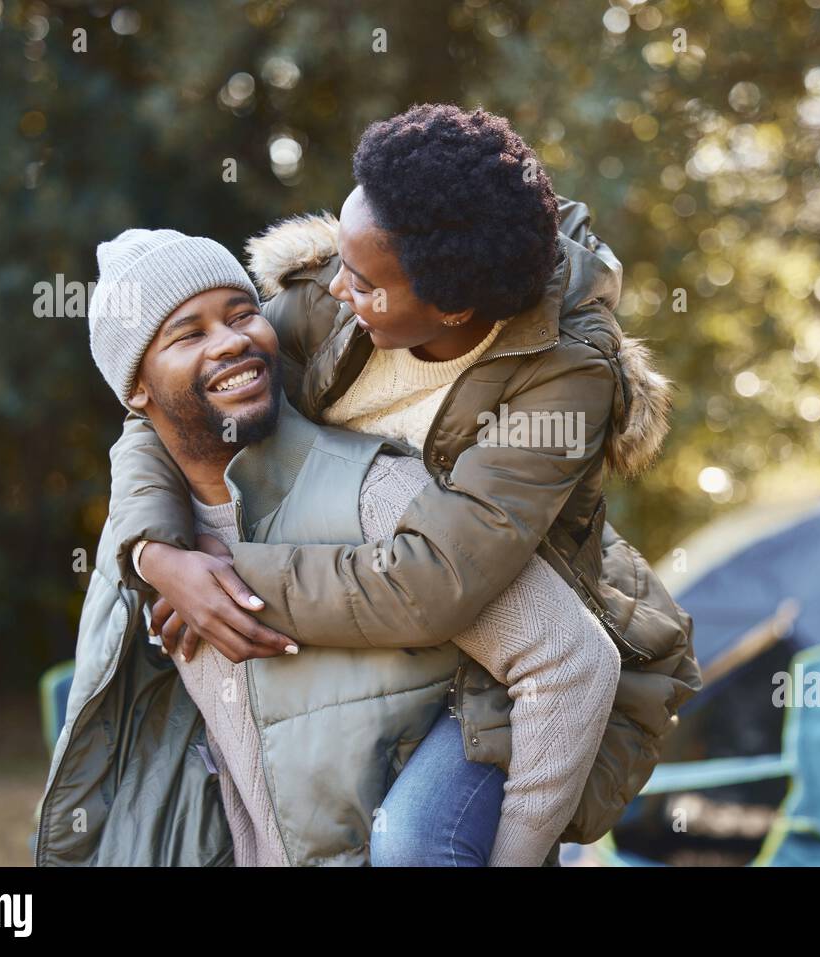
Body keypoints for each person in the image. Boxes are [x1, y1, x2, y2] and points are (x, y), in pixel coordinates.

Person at [103, 105, 700, 866]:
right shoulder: (332, 302)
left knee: (416, 841)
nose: (331, 286)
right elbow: (163, 407)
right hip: (380, 621)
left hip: (506, 633)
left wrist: (226, 580)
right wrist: (158, 555)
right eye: (340, 256)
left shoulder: (564, 378)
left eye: (361, 277)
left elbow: (436, 581)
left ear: (451, 307)